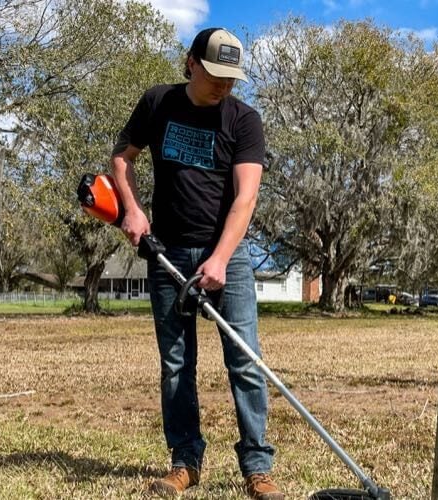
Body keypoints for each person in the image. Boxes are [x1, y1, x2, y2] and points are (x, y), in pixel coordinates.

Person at [110, 27, 282, 500]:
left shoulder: (245, 120)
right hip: (169, 255)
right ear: (191, 63)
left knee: (245, 361)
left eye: (231, 78)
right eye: (215, 75)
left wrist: (221, 258)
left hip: (229, 258)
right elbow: (122, 159)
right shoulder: (158, 102)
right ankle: (185, 462)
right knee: (176, 365)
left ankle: (257, 468)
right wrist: (132, 209)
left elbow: (245, 198)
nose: (224, 85)